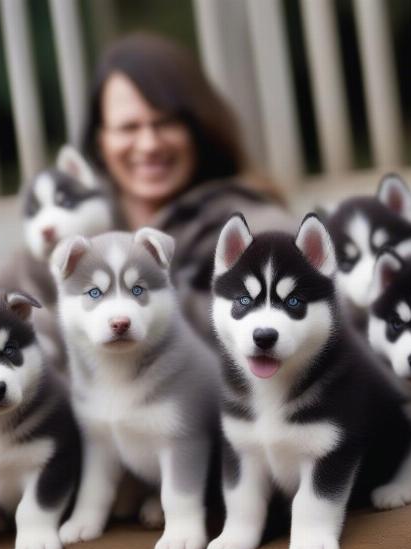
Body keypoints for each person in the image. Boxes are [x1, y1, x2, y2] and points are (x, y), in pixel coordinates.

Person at [81, 32, 294, 341]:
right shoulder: (73, 240)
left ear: (199, 129)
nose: (149, 144)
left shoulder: (258, 234)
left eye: (166, 123)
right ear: (101, 141)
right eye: (129, 127)